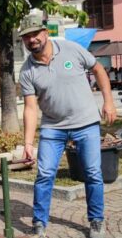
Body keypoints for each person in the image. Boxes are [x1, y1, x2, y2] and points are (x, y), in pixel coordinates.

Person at [18, 16, 115, 238]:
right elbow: (30, 108)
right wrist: (28, 142)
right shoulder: (27, 71)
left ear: (45, 32)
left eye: (35, 34)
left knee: (92, 173)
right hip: (53, 128)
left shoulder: (71, 49)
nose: (32, 39)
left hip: (86, 123)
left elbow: (99, 70)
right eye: (26, 37)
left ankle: (96, 221)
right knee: (44, 175)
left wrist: (108, 101)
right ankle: (39, 223)